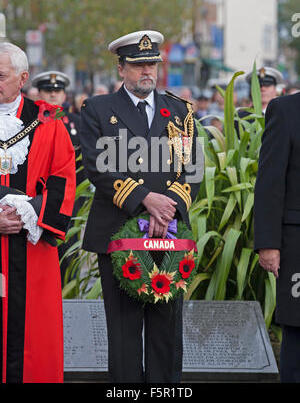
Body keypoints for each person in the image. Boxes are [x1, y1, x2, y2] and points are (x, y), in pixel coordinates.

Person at [80, 30, 202, 383]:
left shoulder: (179, 111)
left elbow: (191, 169)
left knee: (166, 334)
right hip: (118, 230)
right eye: (138, 65)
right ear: (121, 69)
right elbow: (98, 167)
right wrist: (146, 200)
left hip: (170, 233)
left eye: (152, 64)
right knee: (124, 333)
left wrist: (169, 209)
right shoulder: (98, 109)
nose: (147, 71)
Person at [0, 44, 76, 382]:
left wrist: (26, 213)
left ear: (22, 78)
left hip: (32, 250)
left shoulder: (49, 120)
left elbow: (63, 179)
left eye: (0, 76)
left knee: (34, 336)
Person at [254, 84, 300, 382]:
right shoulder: (285, 110)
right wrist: (268, 244)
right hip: (297, 245)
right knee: (298, 331)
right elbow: (269, 182)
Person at [32, 71, 86, 283]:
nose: (53, 95)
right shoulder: (30, 123)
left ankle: (69, 293)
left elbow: (84, 164)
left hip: (70, 198)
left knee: (68, 254)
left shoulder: (76, 123)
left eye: (58, 91)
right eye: (48, 91)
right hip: (39, 198)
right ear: (39, 93)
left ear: (65, 95)